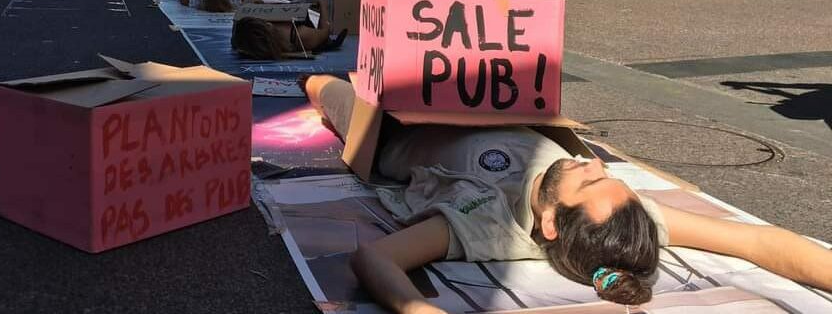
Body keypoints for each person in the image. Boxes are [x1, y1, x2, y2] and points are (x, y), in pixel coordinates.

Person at [301, 74, 832, 313]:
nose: (594, 163)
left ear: (551, 222)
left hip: (399, 129)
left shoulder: (489, 220)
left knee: (323, 84)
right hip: (483, 99)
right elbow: (754, 243)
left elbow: (376, 259)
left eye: (591, 180)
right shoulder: (627, 222)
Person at [231, 0, 347, 59]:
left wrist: (251, 5)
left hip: (288, 34)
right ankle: (326, 43)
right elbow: (325, 31)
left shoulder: (243, 40)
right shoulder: (298, 35)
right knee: (322, 36)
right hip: (300, 36)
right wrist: (323, 6)